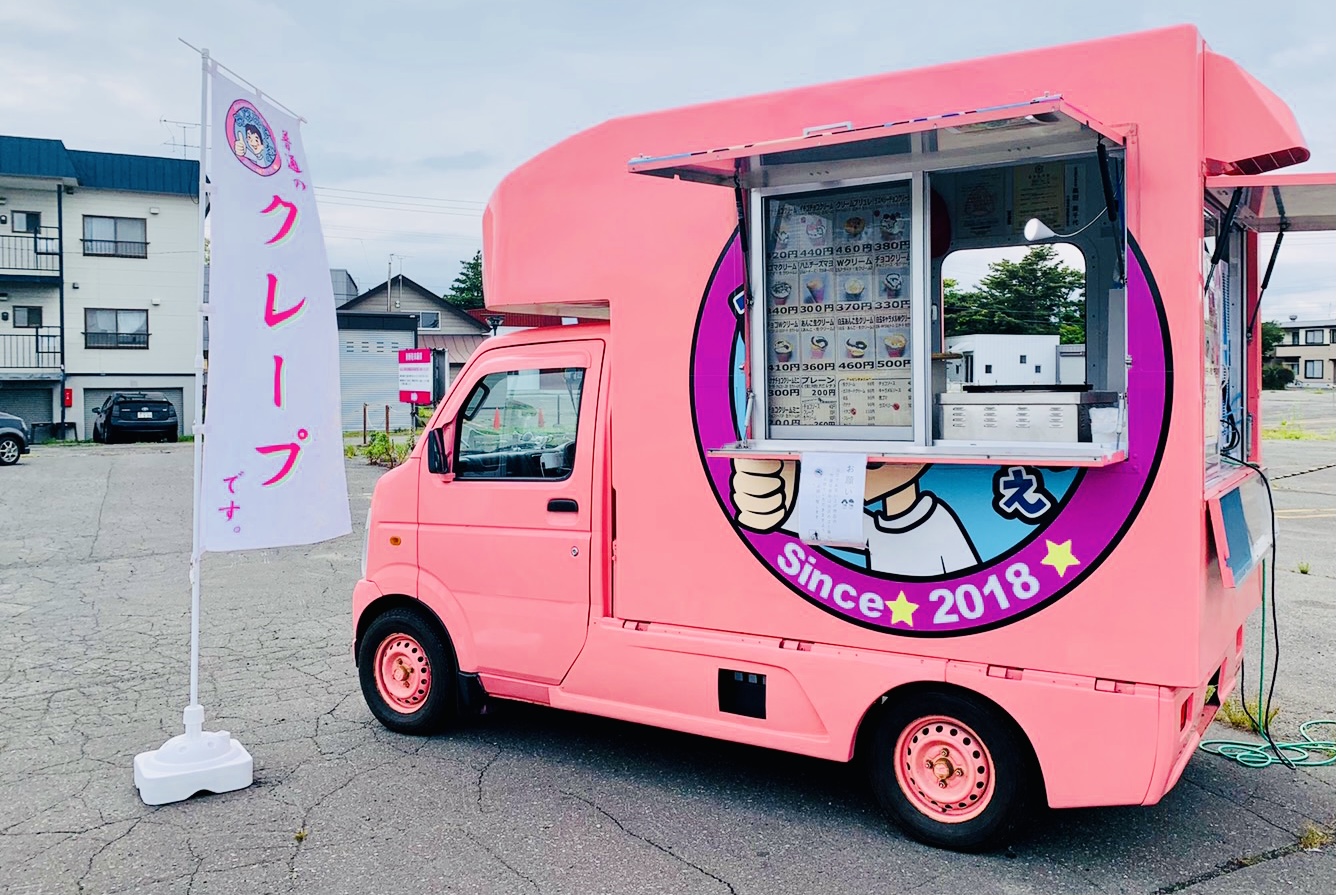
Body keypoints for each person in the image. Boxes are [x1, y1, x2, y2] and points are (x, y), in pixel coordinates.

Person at [730, 458, 980, 576]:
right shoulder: (875, 528)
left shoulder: (939, 522)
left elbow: (968, 581)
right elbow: (821, 523)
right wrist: (772, 506)